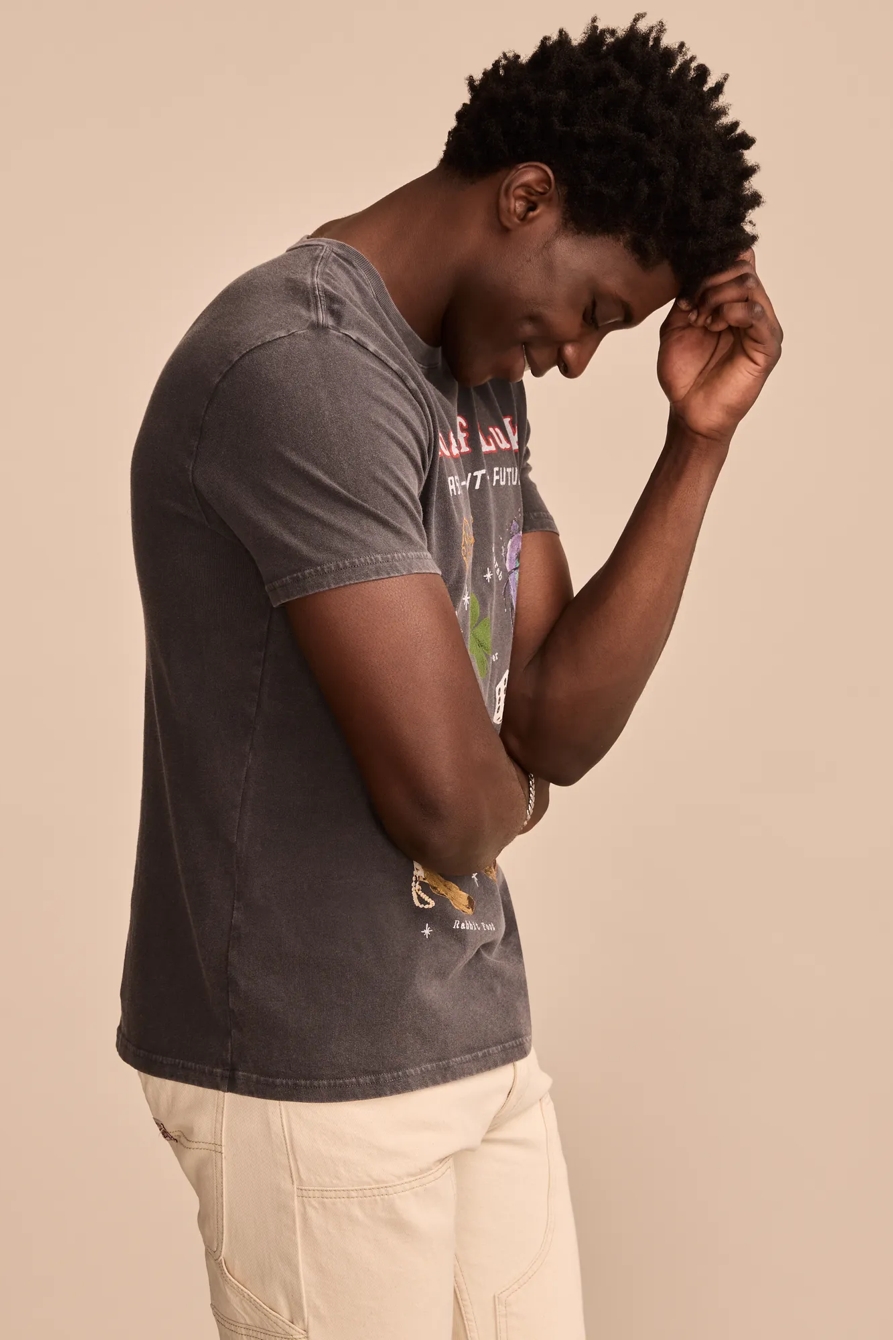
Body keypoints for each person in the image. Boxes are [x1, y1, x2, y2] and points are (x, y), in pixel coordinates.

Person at [117, 13, 782, 1339]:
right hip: (314, 1074)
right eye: (594, 310)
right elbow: (449, 809)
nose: (579, 354)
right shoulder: (304, 369)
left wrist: (697, 443)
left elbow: (554, 719)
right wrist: (509, 794)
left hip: (466, 1029)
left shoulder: (462, 374)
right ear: (526, 198)